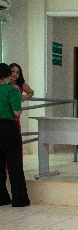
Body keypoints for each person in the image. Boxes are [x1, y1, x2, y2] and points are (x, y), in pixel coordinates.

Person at [0, 63, 30, 207]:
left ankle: (2, 198)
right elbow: (17, 112)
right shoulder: (12, 90)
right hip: (9, 128)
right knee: (14, 164)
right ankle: (19, 199)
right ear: (7, 75)